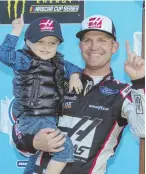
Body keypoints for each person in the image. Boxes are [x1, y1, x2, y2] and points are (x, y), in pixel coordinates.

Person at [12, 14, 145, 174]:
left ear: (114, 47)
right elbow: (18, 128)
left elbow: (143, 129)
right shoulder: (53, 79)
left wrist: (140, 82)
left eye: (102, 40)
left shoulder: (123, 92)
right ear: (80, 45)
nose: (94, 47)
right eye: (87, 40)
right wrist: (32, 142)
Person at [0, 14, 84, 174]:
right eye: (40, 42)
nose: (46, 47)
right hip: (33, 118)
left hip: (49, 118)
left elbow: (74, 67)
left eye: (52, 43)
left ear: (58, 44)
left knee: (38, 156)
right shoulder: (24, 60)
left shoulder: (58, 63)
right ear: (27, 42)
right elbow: (4, 55)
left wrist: (74, 75)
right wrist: (15, 31)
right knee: (65, 148)